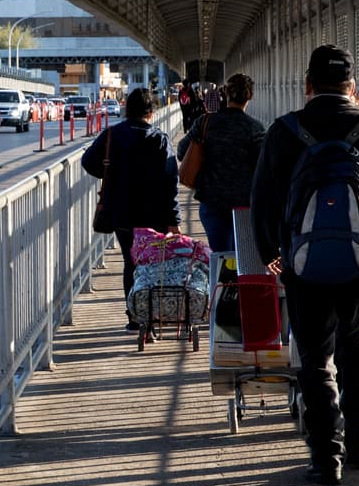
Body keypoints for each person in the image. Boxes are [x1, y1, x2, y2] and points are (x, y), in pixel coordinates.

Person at [250, 45, 359, 486]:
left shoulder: (284, 131)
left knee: (314, 359)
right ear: (353, 86)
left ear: (307, 85)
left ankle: (326, 458)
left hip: (302, 266)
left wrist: (272, 254)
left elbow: (263, 203)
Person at [81, 88, 181, 334]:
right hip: (154, 215)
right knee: (153, 263)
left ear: (127, 109)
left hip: (121, 212)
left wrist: (109, 174)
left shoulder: (112, 135)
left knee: (131, 262)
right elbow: (170, 182)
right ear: (151, 112)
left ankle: (135, 317)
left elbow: (88, 161)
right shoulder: (159, 139)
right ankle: (152, 315)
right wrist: (174, 220)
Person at [175, 73, 265, 252]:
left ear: (225, 94)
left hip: (211, 201)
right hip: (243, 204)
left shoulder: (205, 122)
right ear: (250, 96)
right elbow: (264, 166)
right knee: (241, 255)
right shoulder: (255, 128)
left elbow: (181, 152)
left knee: (219, 254)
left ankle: (220, 270)